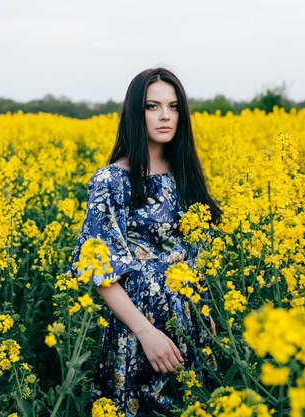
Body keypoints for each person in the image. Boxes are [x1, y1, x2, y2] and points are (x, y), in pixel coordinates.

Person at [69, 67, 222, 416]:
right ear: (135, 113)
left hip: (192, 319)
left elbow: (197, 256)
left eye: (173, 106)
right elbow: (100, 270)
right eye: (153, 106)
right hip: (140, 329)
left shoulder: (185, 174)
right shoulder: (111, 180)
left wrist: (206, 310)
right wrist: (145, 332)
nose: (166, 116)